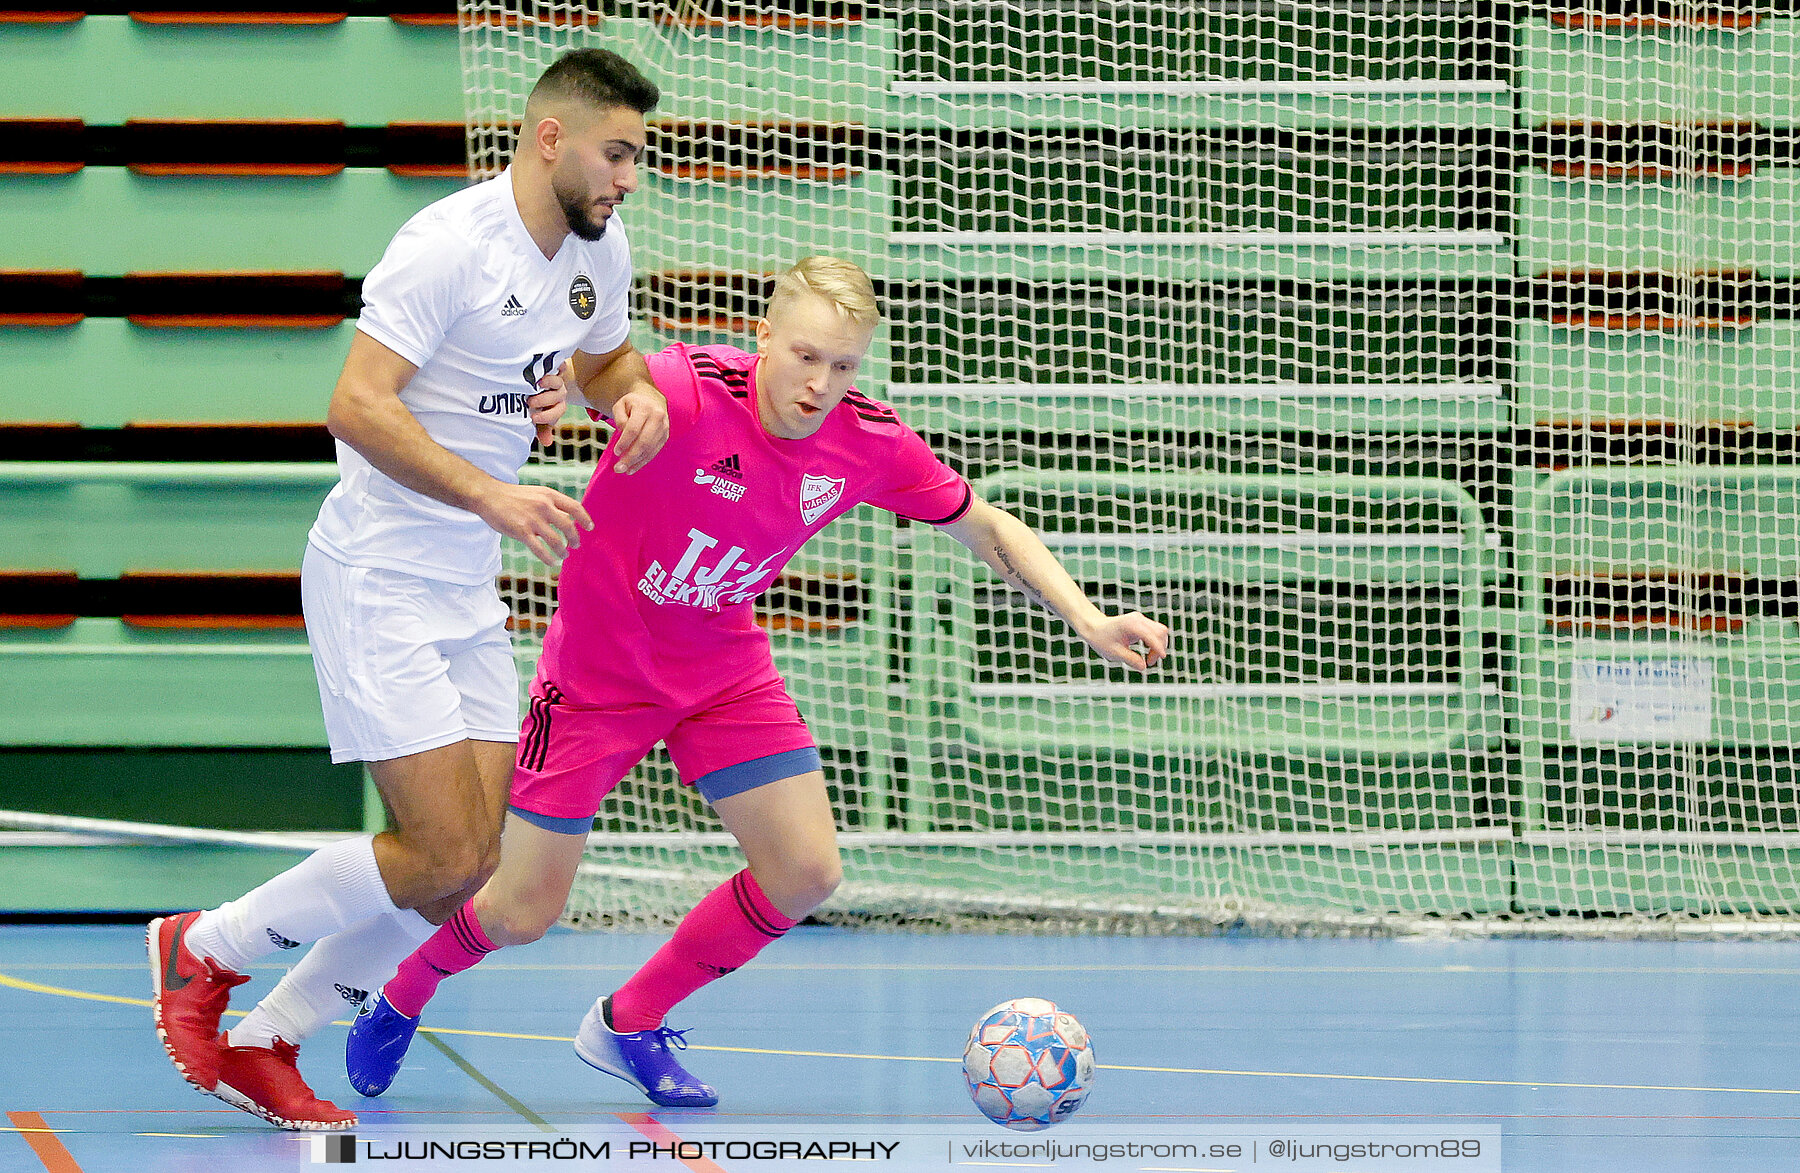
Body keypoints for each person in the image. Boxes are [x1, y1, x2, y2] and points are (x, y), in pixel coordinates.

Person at [341, 256, 1172, 1108]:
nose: (820, 384)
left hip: (722, 668)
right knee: (520, 910)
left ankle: (630, 1020)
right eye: (805, 356)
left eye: (843, 365)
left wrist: (1088, 618)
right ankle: (402, 991)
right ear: (764, 336)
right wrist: (550, 391)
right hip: (596, 672)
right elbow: (595, 371)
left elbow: (986, 523)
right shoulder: (686, 388)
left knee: (806, 870)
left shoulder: (867, 440)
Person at [146, 48, 671, 1131]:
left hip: (463, 584)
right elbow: (356, 404)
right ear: (548, 138)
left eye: (636, 157)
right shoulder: (445, 247)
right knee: (437, 850)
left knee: (464, 874)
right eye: (616, 154)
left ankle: (264, 1039)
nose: (629, 179)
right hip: (378, 571)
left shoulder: (596, 250)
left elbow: (605, 360)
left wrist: (635, 399)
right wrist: (494, 495)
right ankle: (203, 945)